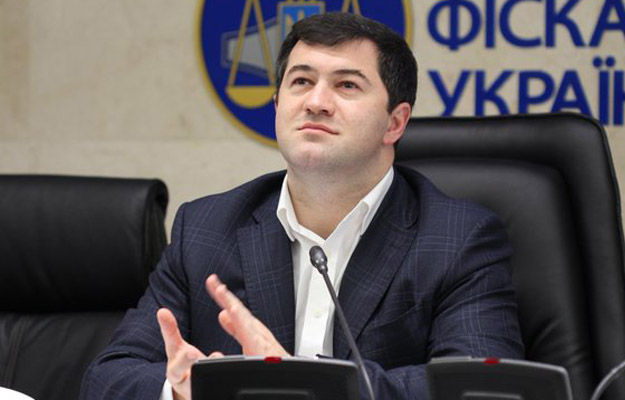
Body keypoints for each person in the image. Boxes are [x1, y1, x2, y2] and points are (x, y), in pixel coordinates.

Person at [80, 12, 524, 400]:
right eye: (301, 82)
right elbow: (106, 378)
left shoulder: (457, 239)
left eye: (346, 85)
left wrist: (299, 384)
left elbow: (481, 391)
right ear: (277, 107)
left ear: (395, 122)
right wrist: (182, 389)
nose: (316, 102)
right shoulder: (205, 228)